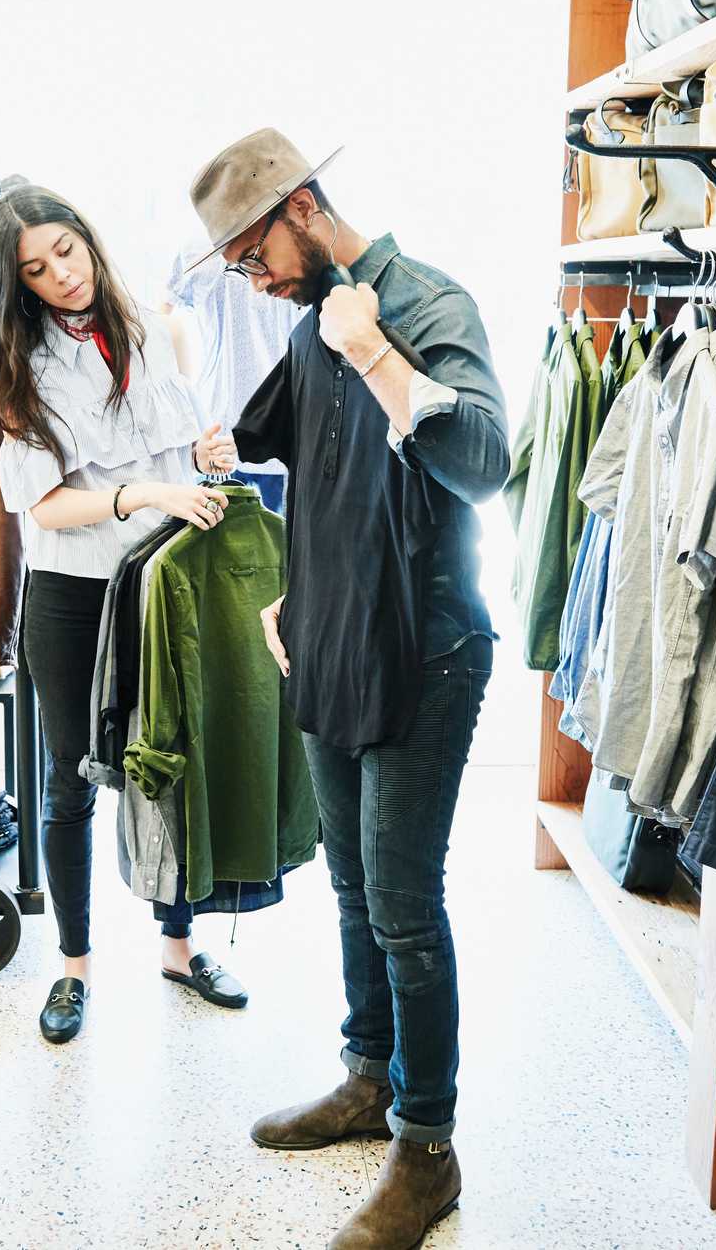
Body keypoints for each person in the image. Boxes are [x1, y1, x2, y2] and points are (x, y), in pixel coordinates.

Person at [190, 129, 508, 1250]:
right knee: (354, 890)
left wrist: (375, 354)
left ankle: (428, 1150)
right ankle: (369, 1077)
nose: (255, 279)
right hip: (330, 641)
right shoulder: (308, 324)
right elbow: (308, 473)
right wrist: (297, 588)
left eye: (254, 255)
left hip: (426, 650)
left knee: (406, 906)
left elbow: (484, 464)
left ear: (305, 208)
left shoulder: (422, 306)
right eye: (236, 267)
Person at [0, 185, 246, 1046]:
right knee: (71, 781)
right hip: (71, 592)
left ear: (87, 239)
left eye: (64, 250)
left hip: (162, 583)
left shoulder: (160, 331)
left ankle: (178, 947)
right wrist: (144, 493)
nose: (60, 275)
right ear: (18, 283)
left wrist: (205, 455)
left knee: (173, 760)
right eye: (35, 269)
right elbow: (45, 506)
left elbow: (181, 451)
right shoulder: (16, 366)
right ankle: (72, 968)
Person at [159, 241, 302, 512]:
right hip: (218, 434)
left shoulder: (286, 244)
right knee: (217, 533)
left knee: (280, 536)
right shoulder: (194, 252)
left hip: (278, 432)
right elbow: (161, 321)